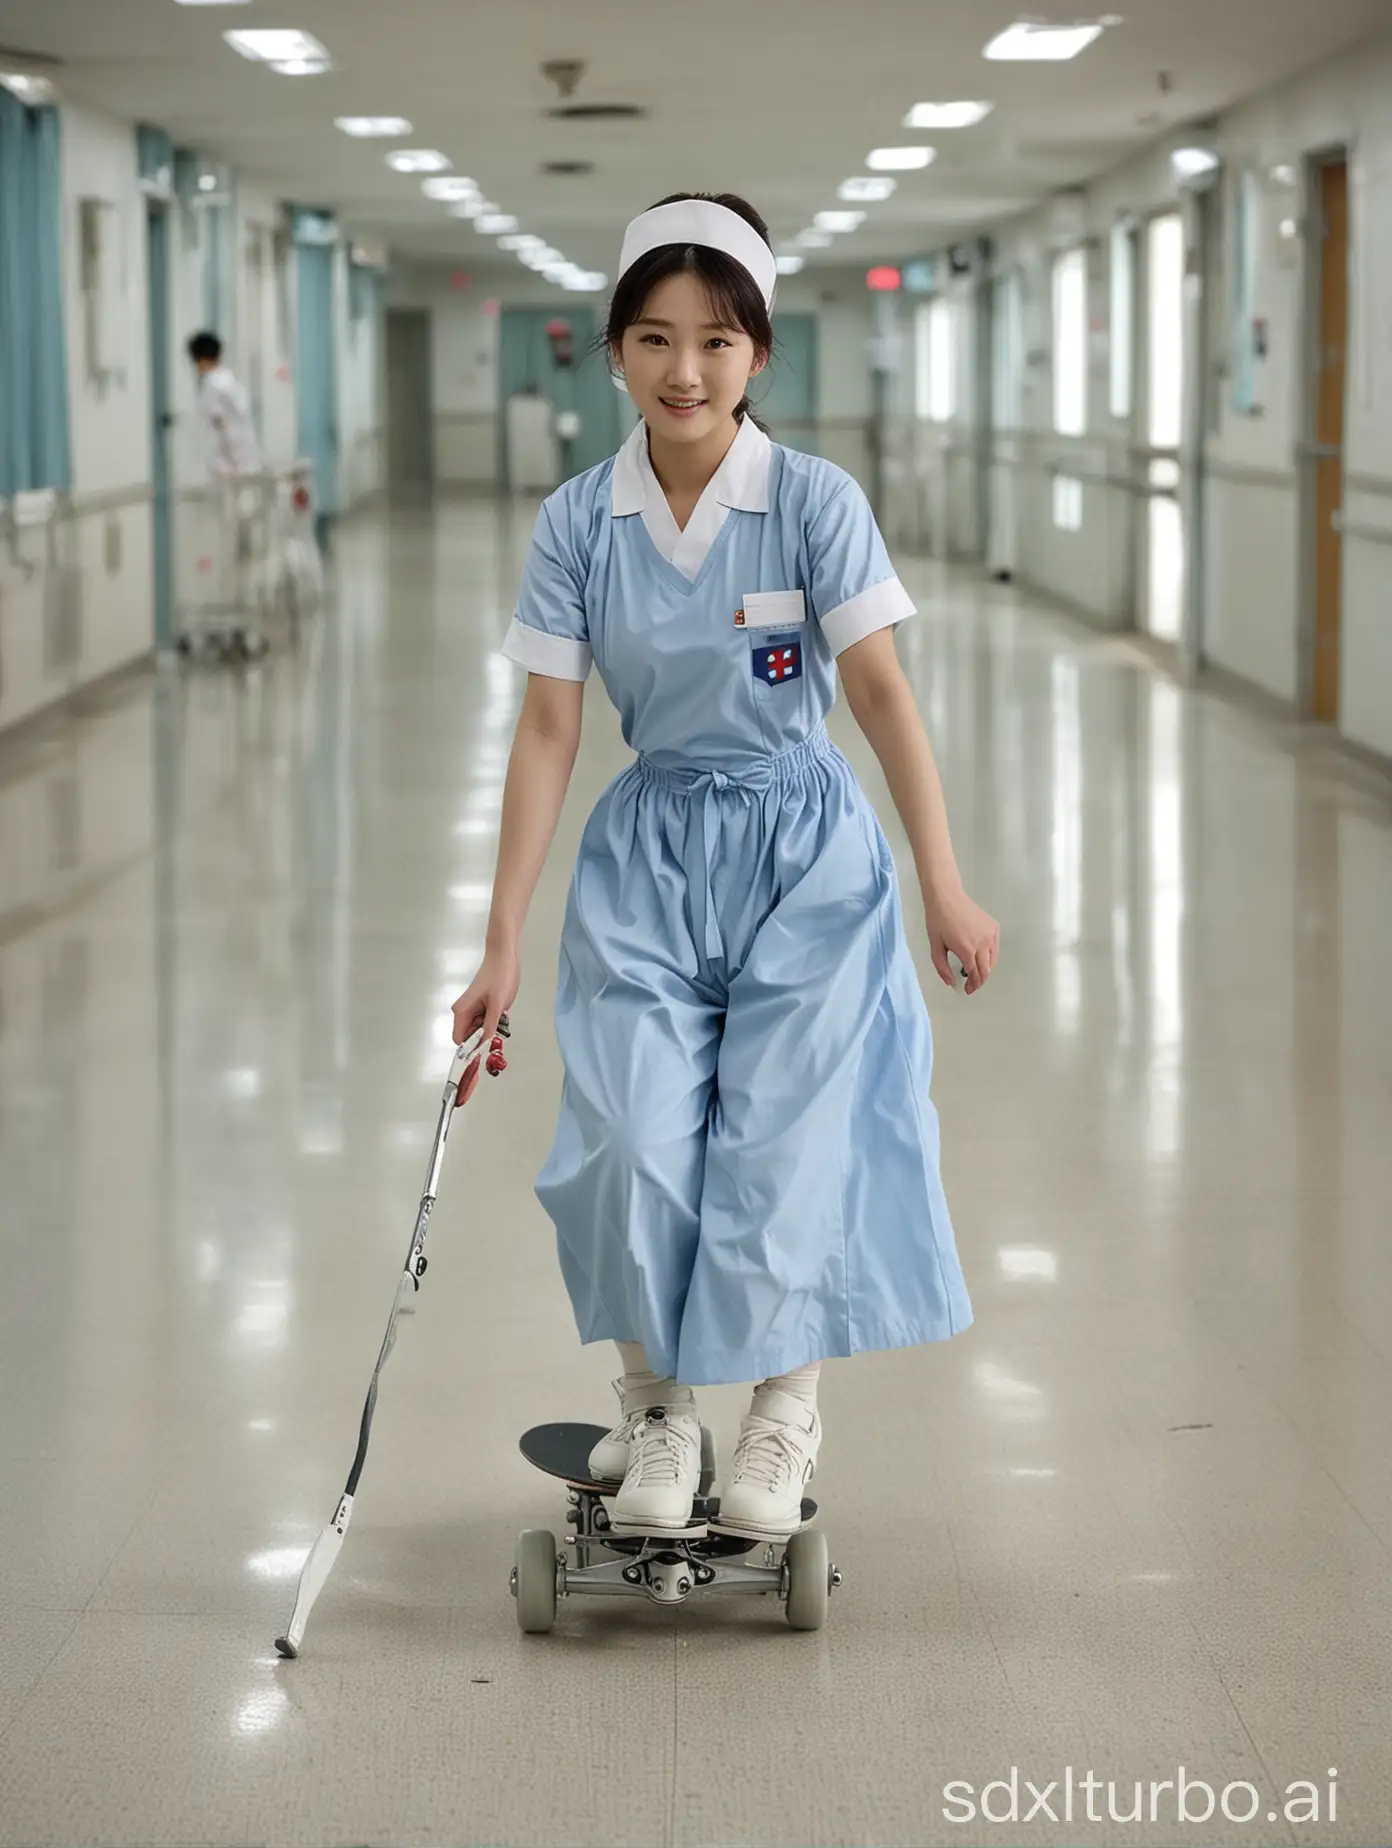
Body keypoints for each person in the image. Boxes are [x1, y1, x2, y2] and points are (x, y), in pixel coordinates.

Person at [452, 193, 998, 1542]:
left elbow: (880, 695)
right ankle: (655, 1412)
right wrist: (500, 939)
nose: (683, 370)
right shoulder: (583, 522)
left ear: (758, 352)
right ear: (615, 352)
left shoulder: (813, 502)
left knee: (779, 1143)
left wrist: (942, 876)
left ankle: (778, 1416)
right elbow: (546, 729)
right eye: (652, 337)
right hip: (648, 855)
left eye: (715, 339)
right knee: (636, 1137)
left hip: (802, 851)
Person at [186, 331, 263, 480]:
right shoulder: (230, 381)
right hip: (242, 463)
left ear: (199, 359)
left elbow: (224, 427)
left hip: (229, 468)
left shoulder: (213, 387)